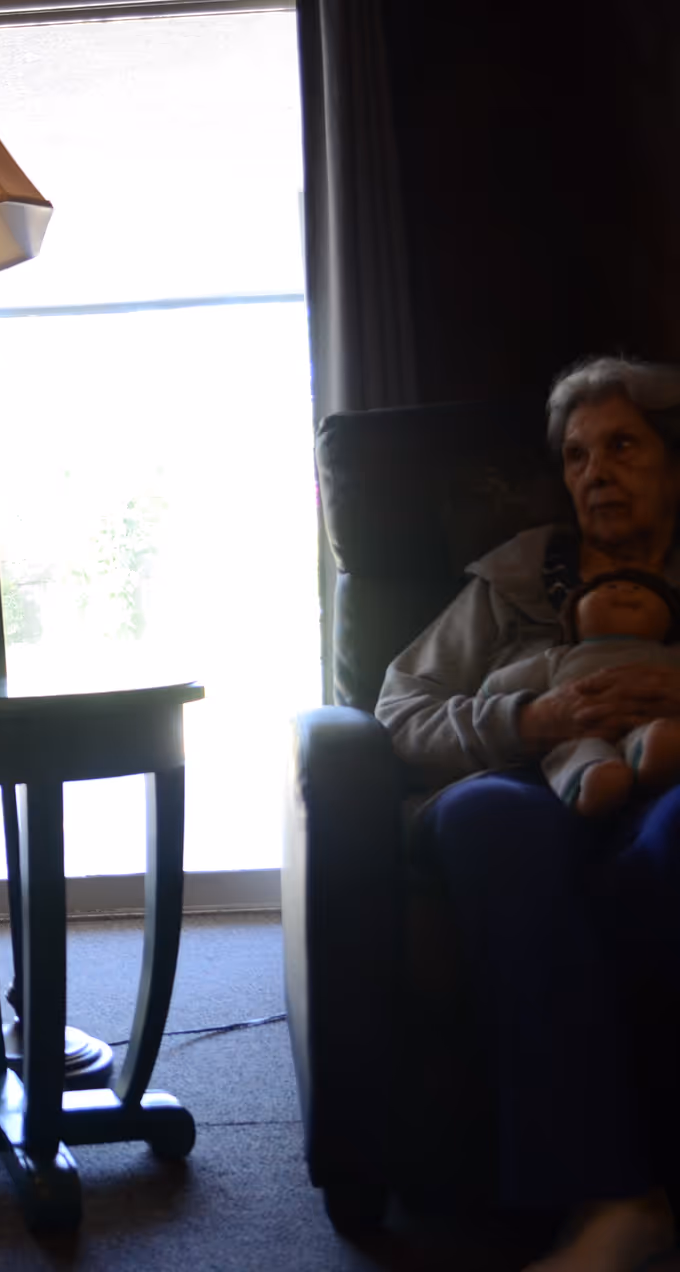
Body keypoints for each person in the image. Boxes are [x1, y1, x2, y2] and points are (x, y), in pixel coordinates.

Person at [378, 355, 680, 1271]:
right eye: (578, 455)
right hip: (519, 778)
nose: (595, 471)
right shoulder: (516, 578)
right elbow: (400, 709)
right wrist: (527, 716)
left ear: (672, 460)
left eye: (622, 445)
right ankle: (608, 1194)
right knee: (489, 827)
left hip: (661, 783)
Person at [477, 571, 680, 814]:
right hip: (578, 735)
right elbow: (497, 685)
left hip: (650, 723)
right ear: (574, 618)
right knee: (579, 753)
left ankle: (654, 757)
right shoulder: (559, 657)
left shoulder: (670, 656)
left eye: (639, 589)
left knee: (661, 736)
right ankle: (591, 779)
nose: (624, 591)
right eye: (611, 586)